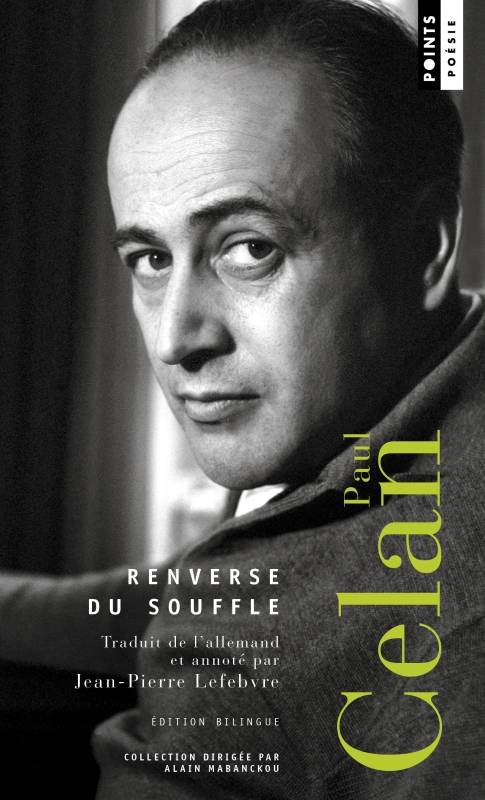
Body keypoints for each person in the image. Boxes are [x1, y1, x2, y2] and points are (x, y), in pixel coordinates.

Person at [1, 0, 484, 797]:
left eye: (249, 248)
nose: (175, 339)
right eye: (150, 259)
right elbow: (212, 588)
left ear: (424, 246)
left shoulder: (229, 656)